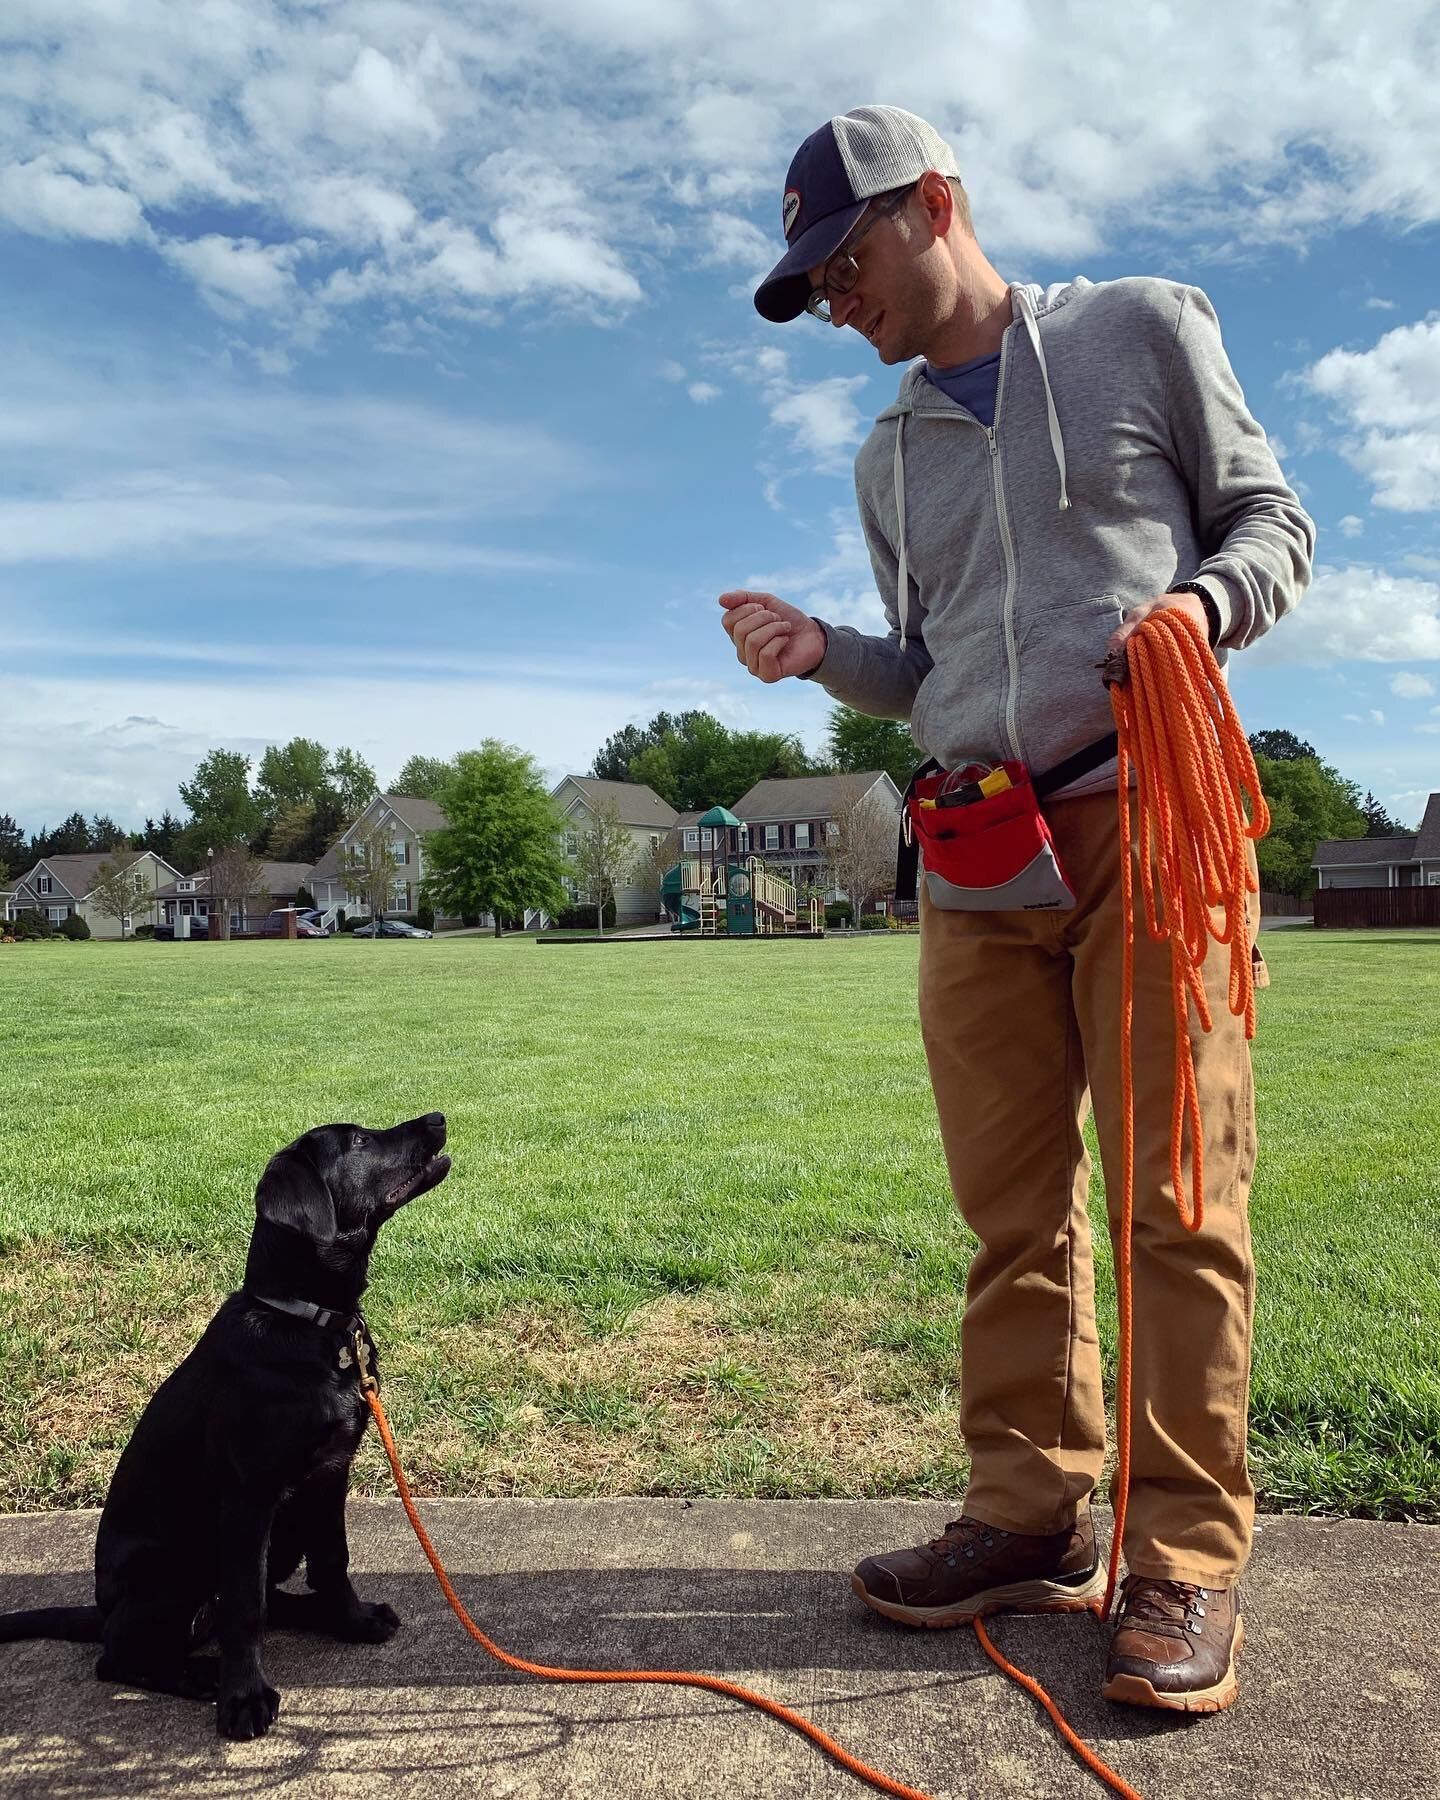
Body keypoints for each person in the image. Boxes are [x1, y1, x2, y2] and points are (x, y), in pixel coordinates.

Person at [719, 105, 1313, 1713]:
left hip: (1153, 815)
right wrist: (822, 652)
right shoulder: (888, 453)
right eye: (814, 286)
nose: (838, 303)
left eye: (846, 265)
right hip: (979, 848)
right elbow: (929, 666)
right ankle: (1030, 1514)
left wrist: (1194, 610)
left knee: (1176, 1201)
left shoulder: (1141, 330)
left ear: (935, 207)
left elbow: (1276, 528)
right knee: (1010, 1214)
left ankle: (1180, 1557)